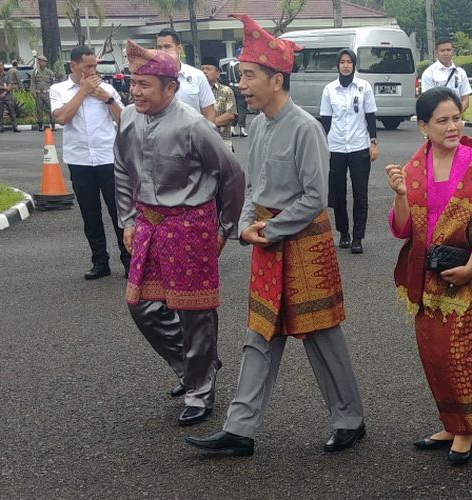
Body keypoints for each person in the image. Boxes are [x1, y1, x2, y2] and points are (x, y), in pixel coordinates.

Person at [185, 14, 366, 457]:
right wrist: (247, 225)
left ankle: (350, 420)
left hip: (304, 244)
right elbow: (253, 185)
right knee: (260, 334)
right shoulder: (260, 125)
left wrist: (267, 228)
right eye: (240, 77)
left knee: (322, 334)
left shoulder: (305, 127)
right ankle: (240, 430)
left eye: (249, 76)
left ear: (277, 79)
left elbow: (314, 197)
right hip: (267, 241)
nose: (241, 85)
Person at [115, 40, 245, 426]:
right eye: (133, 83)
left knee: (194, 311)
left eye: (145, 85)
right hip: (148, 223)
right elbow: (121, 170)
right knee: (142, 306)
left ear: (170, 88)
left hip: (191, 224)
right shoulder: (126, 118)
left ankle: (200, 389)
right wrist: (127, 220)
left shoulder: (193, 125)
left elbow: (233, 175)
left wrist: (225, 227)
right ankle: (194, 368)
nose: (136, 92)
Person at [386, 86, 472, 466]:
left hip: (467, 275)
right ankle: (451, 423)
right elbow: (402, 229)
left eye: (456, 118)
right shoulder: (413, 169)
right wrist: (400, 195)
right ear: (424, 126)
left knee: (457, 354)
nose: (453, 126)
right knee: (433, 355)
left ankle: (468, 429)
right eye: (443, 120)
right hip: (426, 277)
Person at [50, 45, 130, 280]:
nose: (94, 70)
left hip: (108, 158)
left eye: (95, 65)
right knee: (90, 214)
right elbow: (62, 118)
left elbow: (125, 120)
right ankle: (100, 262)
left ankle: (128, 260)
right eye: (88, 66)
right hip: (80, 160)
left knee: (119, 212)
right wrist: (83, 91)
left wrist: (107, 100)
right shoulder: (59, 90)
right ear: (73, 66)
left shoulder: (107, 89)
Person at [320, 48, 378, 254]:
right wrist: (320, 147)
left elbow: (370, 117)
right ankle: (344, 233)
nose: (345, 65)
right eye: (342, 62)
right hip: (335, 147)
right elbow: (325, 122)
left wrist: (373, 142)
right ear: (338, 65)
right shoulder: (329, 90)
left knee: (360, 194)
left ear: (354, 65)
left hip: (359, 146)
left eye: (349, 62)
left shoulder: (364, 87)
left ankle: (358, 237)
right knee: (338, 193)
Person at [155, 29, 216, 123]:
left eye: (167, 47)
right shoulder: (152, 77)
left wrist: (209, 136)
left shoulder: (197, 75)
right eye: (159, 47)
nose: (163, 51)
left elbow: (208, 112)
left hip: (193, 135)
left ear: (179, 48)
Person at [421, 38, 472, 113]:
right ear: (436, 52)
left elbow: (465, 99)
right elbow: (428, 100)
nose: (446, 53)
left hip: (457, 116)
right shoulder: (429, 73)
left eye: (448, 50)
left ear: (452, 51)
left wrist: (456, 115)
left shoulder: (460, 72)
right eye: (442, 50)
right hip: (438, 117)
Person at [200, 56, 238, 151]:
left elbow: (230, 115)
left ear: (218, 73)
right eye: (202, 69)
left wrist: (204, 126)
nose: (204, 71)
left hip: (222, 140)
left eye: (208, 69)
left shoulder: (226, 91)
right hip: (200, 142)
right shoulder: (195, 91)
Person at [0, 61, 19, 133]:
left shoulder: (7, 75)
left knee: (12, 112)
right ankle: (0, 127)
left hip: (7, 96)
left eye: (1, 65)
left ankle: (15, 126)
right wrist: (5, 88)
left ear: (3, 67)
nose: (0, 67)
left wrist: (4, 93)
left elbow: (10, 85)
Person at [32, 54, 56, 131]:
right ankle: (40, 125)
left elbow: (53, 82)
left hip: (47, 93)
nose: (42, 63)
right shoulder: (35, 72)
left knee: (50, 109)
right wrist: (33, 92)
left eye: (43, 61)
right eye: (40, 61)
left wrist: (53, 92)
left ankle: (53, 125)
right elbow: (32, 83)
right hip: (39, 93)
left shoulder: (49, 72)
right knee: (39, 110)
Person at [232, 64, 249, 137]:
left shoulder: (229, 65)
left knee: (234, 109)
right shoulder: (239, 65)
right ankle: (242, 129)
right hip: (239, 87)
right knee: (242, 109)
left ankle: (232, 128)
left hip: (232, 87)